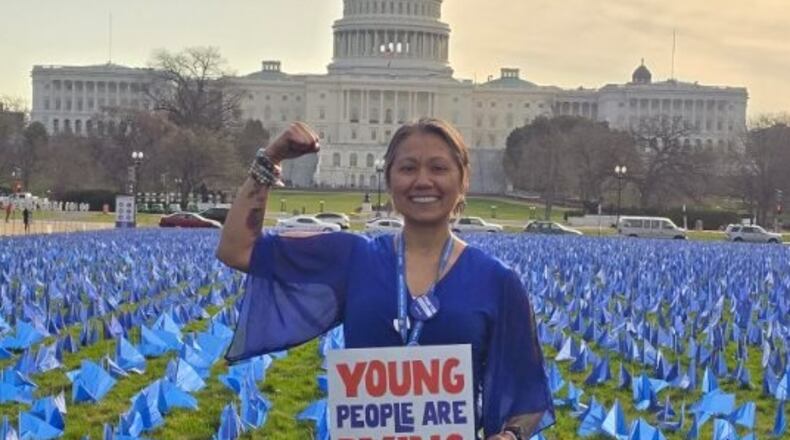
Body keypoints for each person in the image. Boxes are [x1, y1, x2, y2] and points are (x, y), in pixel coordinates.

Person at [217, 119, 554, 440]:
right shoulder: (354, 258)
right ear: (389, 179)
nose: (423, 181)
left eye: (438, 168)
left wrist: (512, 434)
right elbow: (238, 249)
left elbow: (527, 392)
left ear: (462, 179)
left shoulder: (497, 280)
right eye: (408, 168)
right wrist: (270, 159)